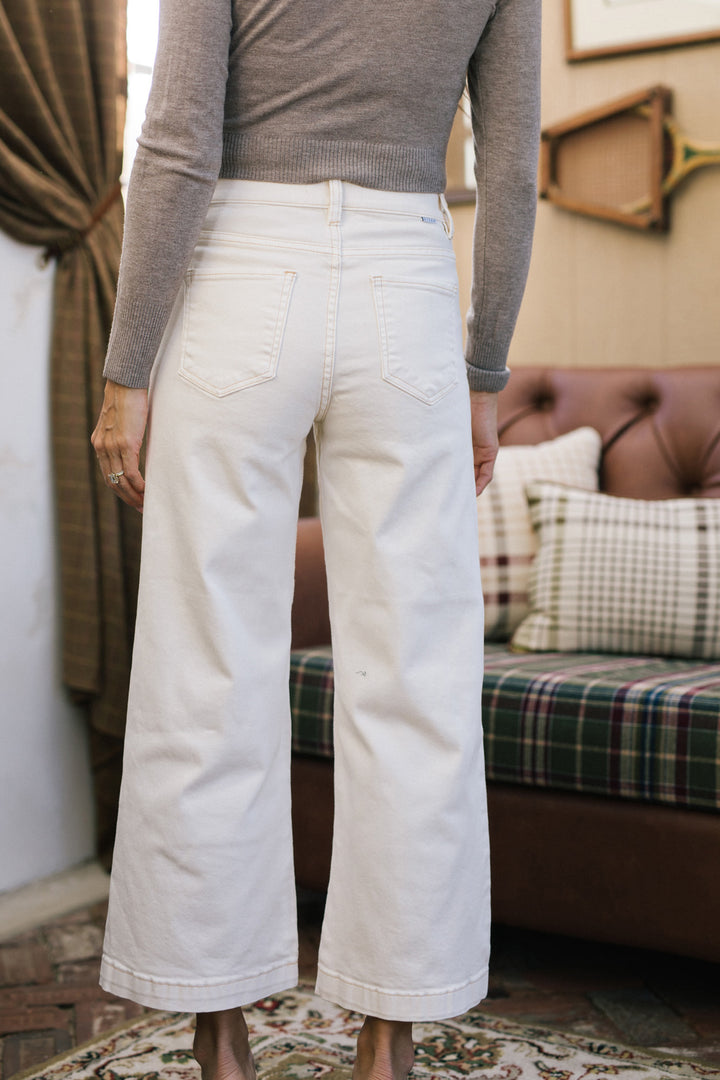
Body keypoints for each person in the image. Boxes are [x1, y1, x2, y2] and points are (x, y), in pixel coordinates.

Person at [91, 1, 540, 1078]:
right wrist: (485, 373)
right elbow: (513, 164)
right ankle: (387, 1047)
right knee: (415, 681)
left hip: (241, 266)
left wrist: (128, 370)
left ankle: (222, 1037)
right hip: (407, 279)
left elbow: (178, 138)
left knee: (209, 664)